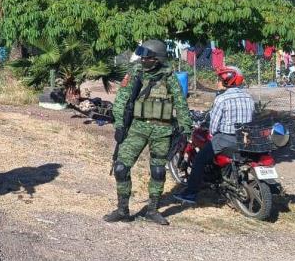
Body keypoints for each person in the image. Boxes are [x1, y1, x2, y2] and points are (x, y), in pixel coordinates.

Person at [105, 39, 192, 226]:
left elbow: (181, 104)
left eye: (148, 57)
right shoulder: (135, 73)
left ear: (157, 59)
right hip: (137, 128)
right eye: (143, 56)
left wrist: (186, 129)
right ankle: (122, 210)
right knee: (121, 168)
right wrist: (119, 126)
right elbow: (121, 100)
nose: (143, 60)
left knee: (158, 171)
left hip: (162, 131)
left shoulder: (169, 77)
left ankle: (152, 210)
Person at [174, 66, 254, 205]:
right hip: (245, 139)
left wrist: (210, 133)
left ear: (227, 81)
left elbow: (213, 126)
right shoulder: (248, 97)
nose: (217, 82)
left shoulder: (221, 99)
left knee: (199, 159)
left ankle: (190, 193)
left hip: (225, 139)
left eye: (220, 79)